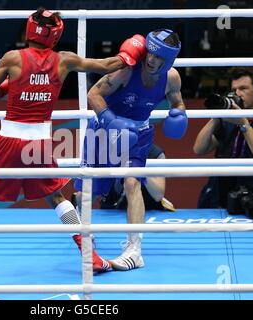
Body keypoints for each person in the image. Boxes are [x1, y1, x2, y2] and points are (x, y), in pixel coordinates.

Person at [0, 8, 147, 285]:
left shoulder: (13, 58)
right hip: (38, 144)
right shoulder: (64, 60)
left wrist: (7, 86)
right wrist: (130, 53)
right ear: (56, 34)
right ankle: (92, 257)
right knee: (58, 199)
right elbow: (108, 66)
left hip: (8, 140)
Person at [74, 29, 187, 271]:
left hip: (139, 133)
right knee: (89, 188)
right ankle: (84, 231)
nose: (151, 60)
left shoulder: (171, 78)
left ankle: (135, 250)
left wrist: (178, 112)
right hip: (105, 129)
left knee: (132, 182)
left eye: (159, 57)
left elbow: (176, 100)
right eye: (150, 54)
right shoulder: (126, 70)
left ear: (169, 60)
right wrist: (111, 120)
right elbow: (93, 94)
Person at [193, 67, 253, 215]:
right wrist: (215, 117)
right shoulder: (228, 119)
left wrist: (243, 123)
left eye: (243, 88)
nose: (237, 94)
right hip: (225, 196)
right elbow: (199, 149)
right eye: (234, 89)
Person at [99, 144, 175, 212]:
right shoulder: (107, 150)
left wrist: (139, 168)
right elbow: (94, 194)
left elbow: (158, 195)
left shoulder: (155, 153)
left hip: (148, 209)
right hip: (112, 211)